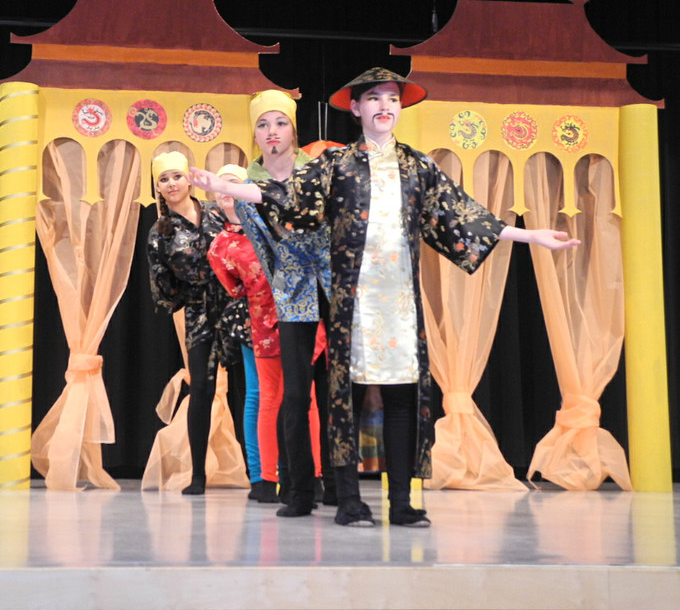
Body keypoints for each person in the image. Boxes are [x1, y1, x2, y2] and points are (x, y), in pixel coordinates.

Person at [189, 67, 580, 526]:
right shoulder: (336, 164)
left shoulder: (418, 166)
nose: (384, 106)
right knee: (346, 401)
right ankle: (349, 501)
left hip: (398, 303)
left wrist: (530, 235)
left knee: (401, 399)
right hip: (350, 301)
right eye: (374, 98)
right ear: (356, 108)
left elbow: (462, 216)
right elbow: (287, 194)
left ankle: (401, 503)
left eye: (392, 98)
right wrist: (223, 187)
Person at [234, 90, 333, 517]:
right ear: (255, 134)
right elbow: (265, 250)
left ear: (293, 129)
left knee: (337, 392)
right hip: (292, 292)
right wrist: (288, 284)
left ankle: (340, 486)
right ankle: (296, 487)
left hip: (334, 286)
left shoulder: (321, 172)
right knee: (293, 393)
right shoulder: (245, 189)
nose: (272, 131)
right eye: (262, 124)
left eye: (280, 123)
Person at [146, 150, 232, 496]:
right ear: (157, 187)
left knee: (252, 389)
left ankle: (266, 476)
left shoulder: (217, 212)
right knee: (202, 389)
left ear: (189, 180)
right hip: (199, 313)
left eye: (177, 176)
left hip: (238, 306)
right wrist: (188, 293)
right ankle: (198, 475)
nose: (171, 184)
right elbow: (162, 288)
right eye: (164, 179)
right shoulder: (160, 232)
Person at [208, 164, 285, 504]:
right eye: (220, 185)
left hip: (291, 316)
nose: (226, 190)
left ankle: (297, 472)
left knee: (296, 395)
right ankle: (260, 475)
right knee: (258, 395)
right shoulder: (220, 244)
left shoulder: (271, 227)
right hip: (252, 320)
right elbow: (234, 288)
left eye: (234, 183)